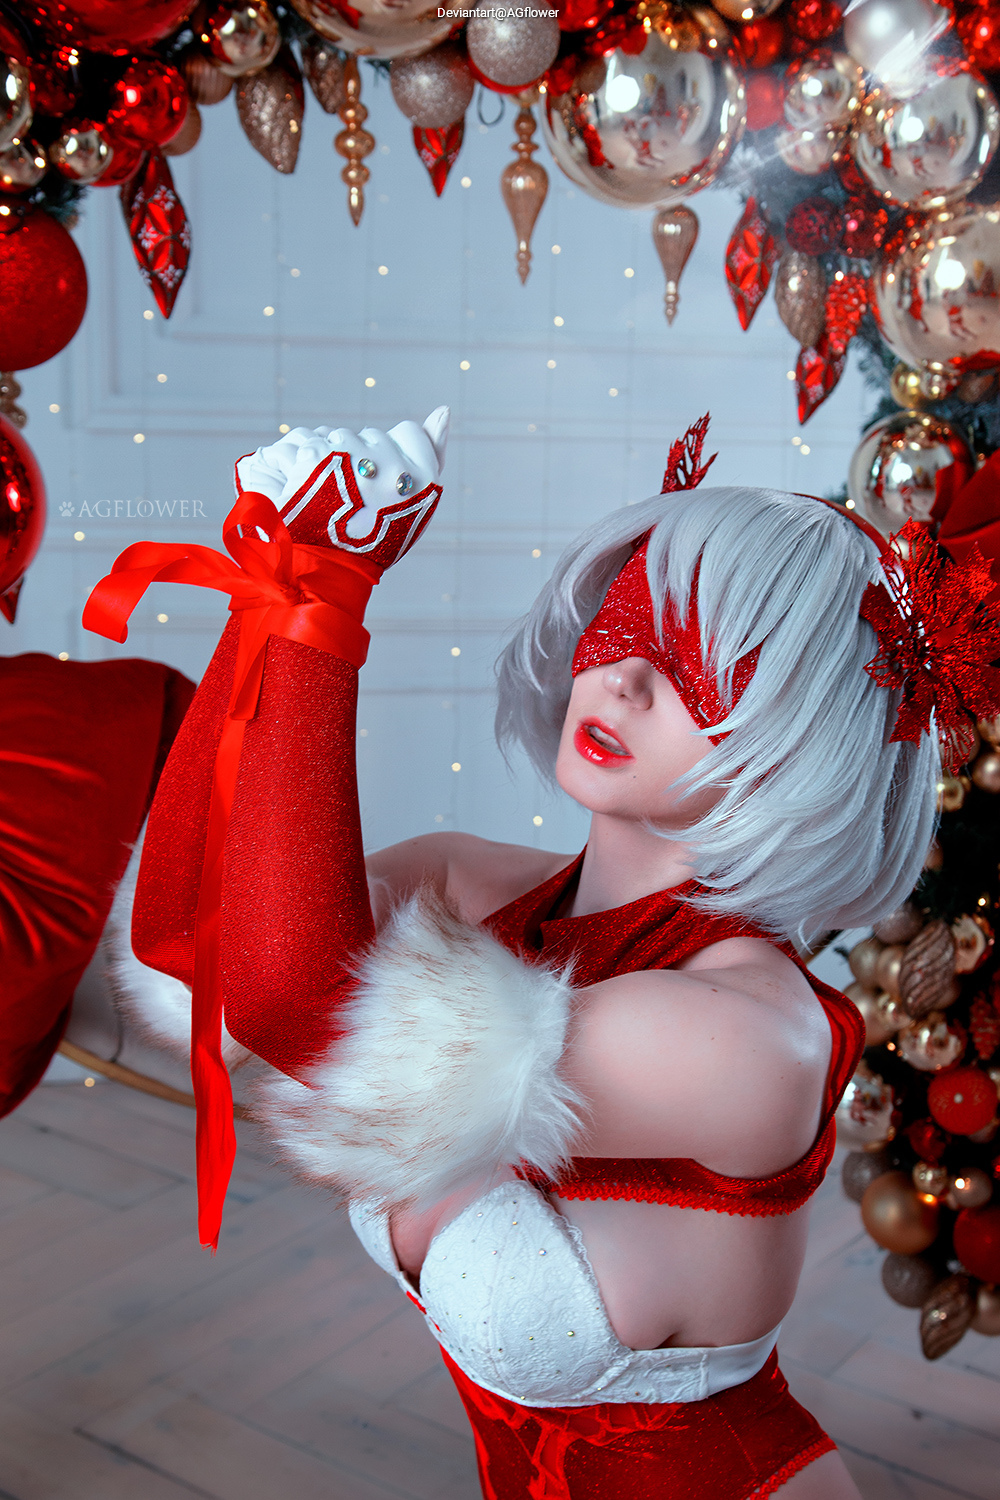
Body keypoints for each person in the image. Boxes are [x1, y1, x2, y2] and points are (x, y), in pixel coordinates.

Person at [94, 410, 952, 1500]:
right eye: (627, 621)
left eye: (704, 668)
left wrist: (325, 607)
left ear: (808, 744)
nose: (627, 681)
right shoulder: (469, 886)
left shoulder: (751, 1036)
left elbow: (300, 1008)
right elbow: (194, 948)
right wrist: (270, 590)